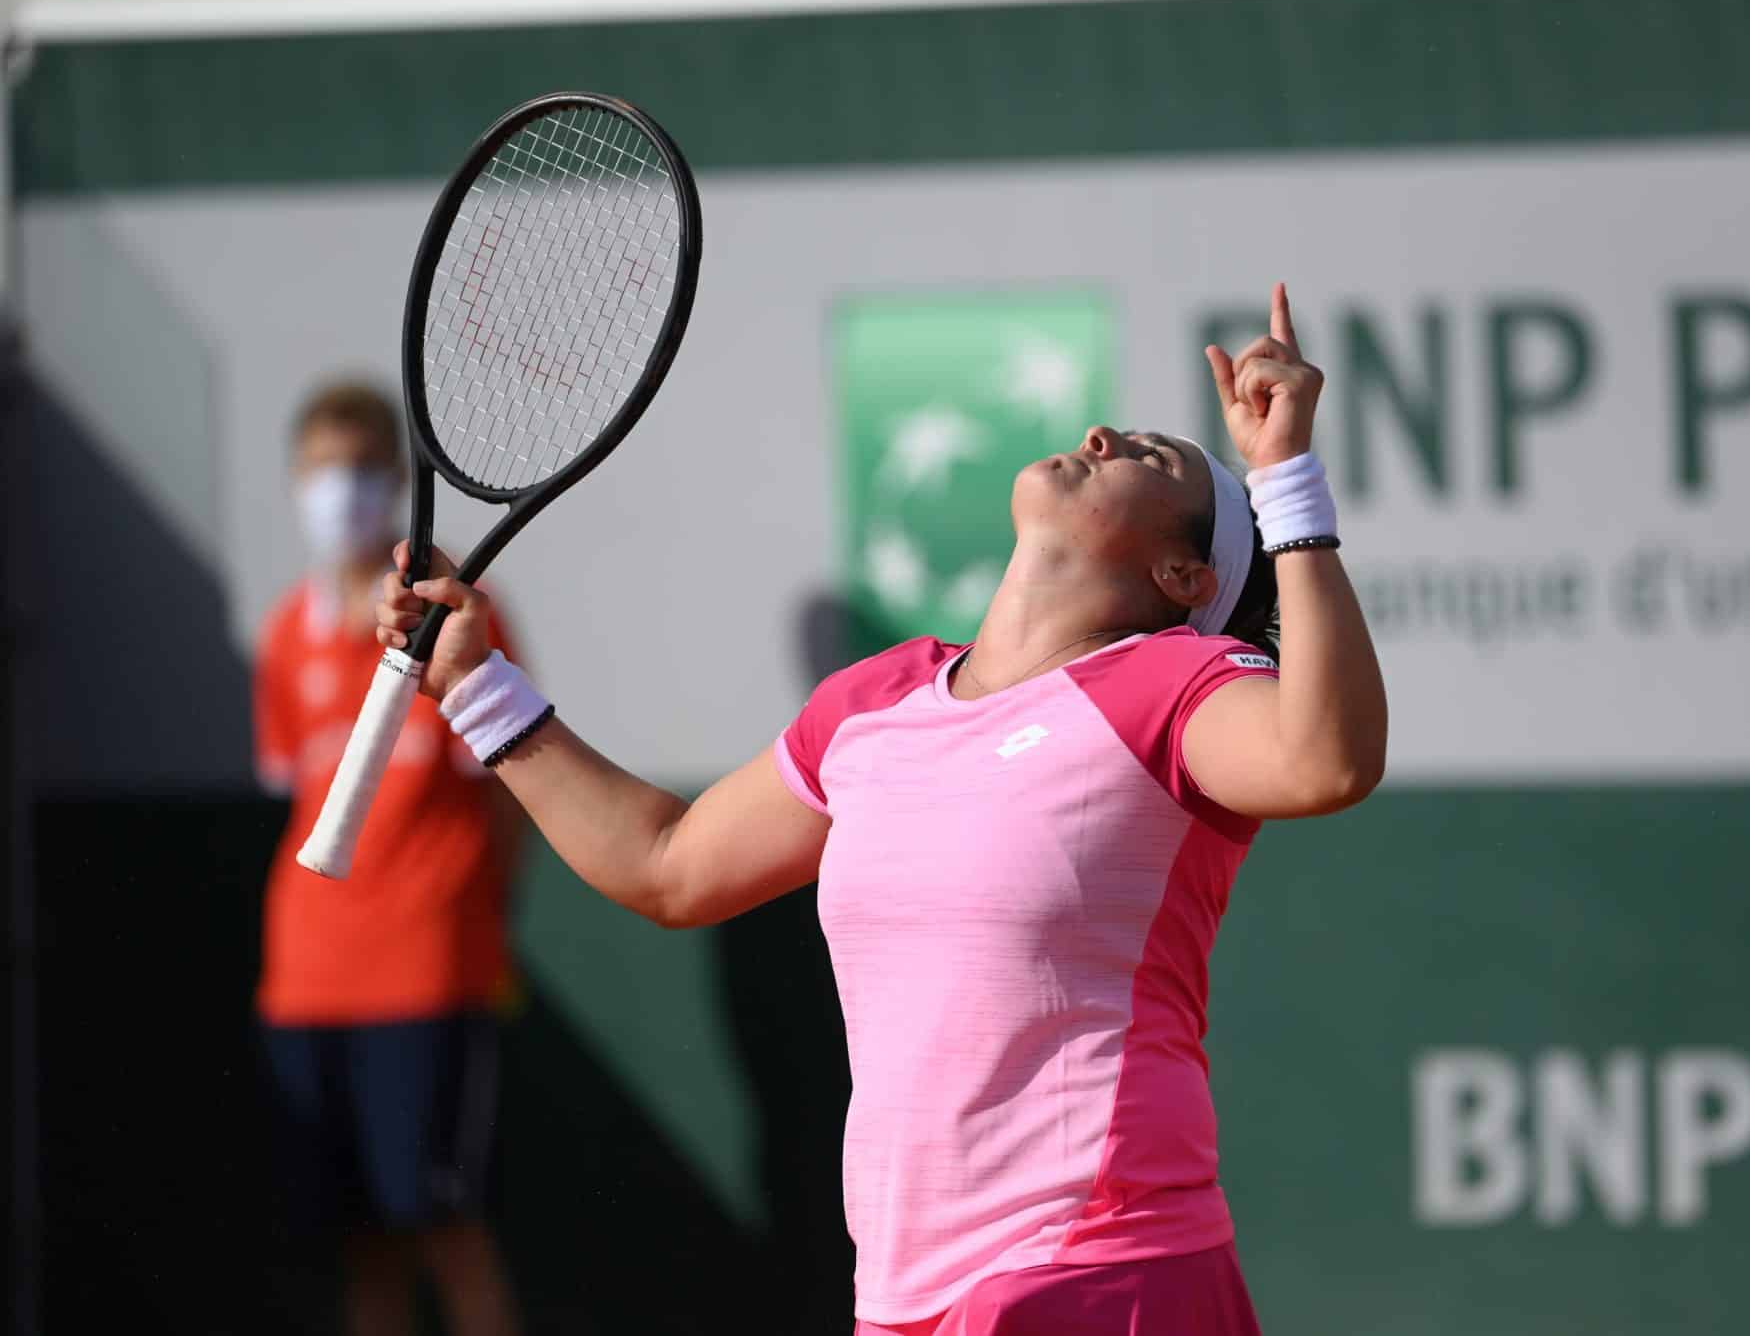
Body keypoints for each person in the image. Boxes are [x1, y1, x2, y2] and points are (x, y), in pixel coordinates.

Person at [375, 284, 1387, 1335]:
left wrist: (1286, 486)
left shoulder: (1172, 682)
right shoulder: (874, 703)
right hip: (907, 1296)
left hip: (1100, 1265)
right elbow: (667, 864)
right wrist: (475, 686)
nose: (1100, 434)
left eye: (1150, 456)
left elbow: (1320, 760)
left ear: (1182, 574)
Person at [253, 381, 523, 1336]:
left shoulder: (457, 617)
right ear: (295, 479)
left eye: (365, 468)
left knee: (447, 1226)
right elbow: (291, 787)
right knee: (360, 1239)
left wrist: (483, 933)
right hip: (306, 982)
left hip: (429, 972)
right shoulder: (285, 634)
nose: (344, 490)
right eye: (324, 468)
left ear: (396, 480)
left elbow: (506, 801)